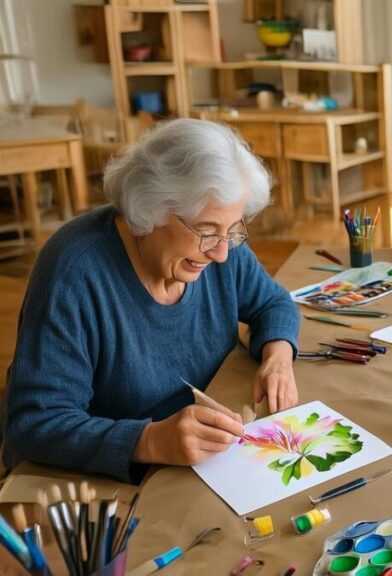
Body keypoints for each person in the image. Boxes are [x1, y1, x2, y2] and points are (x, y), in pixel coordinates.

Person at [1, 119, 300, 483]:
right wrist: (149, 440)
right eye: (206, 231)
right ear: (150, 208)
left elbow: (273, 303)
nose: (221, 253)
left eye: (232, 230)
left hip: (203, 458)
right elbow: (36, 422)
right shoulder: (74, 270)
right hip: (102, 480)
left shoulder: (218, 240)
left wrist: (278, 358)